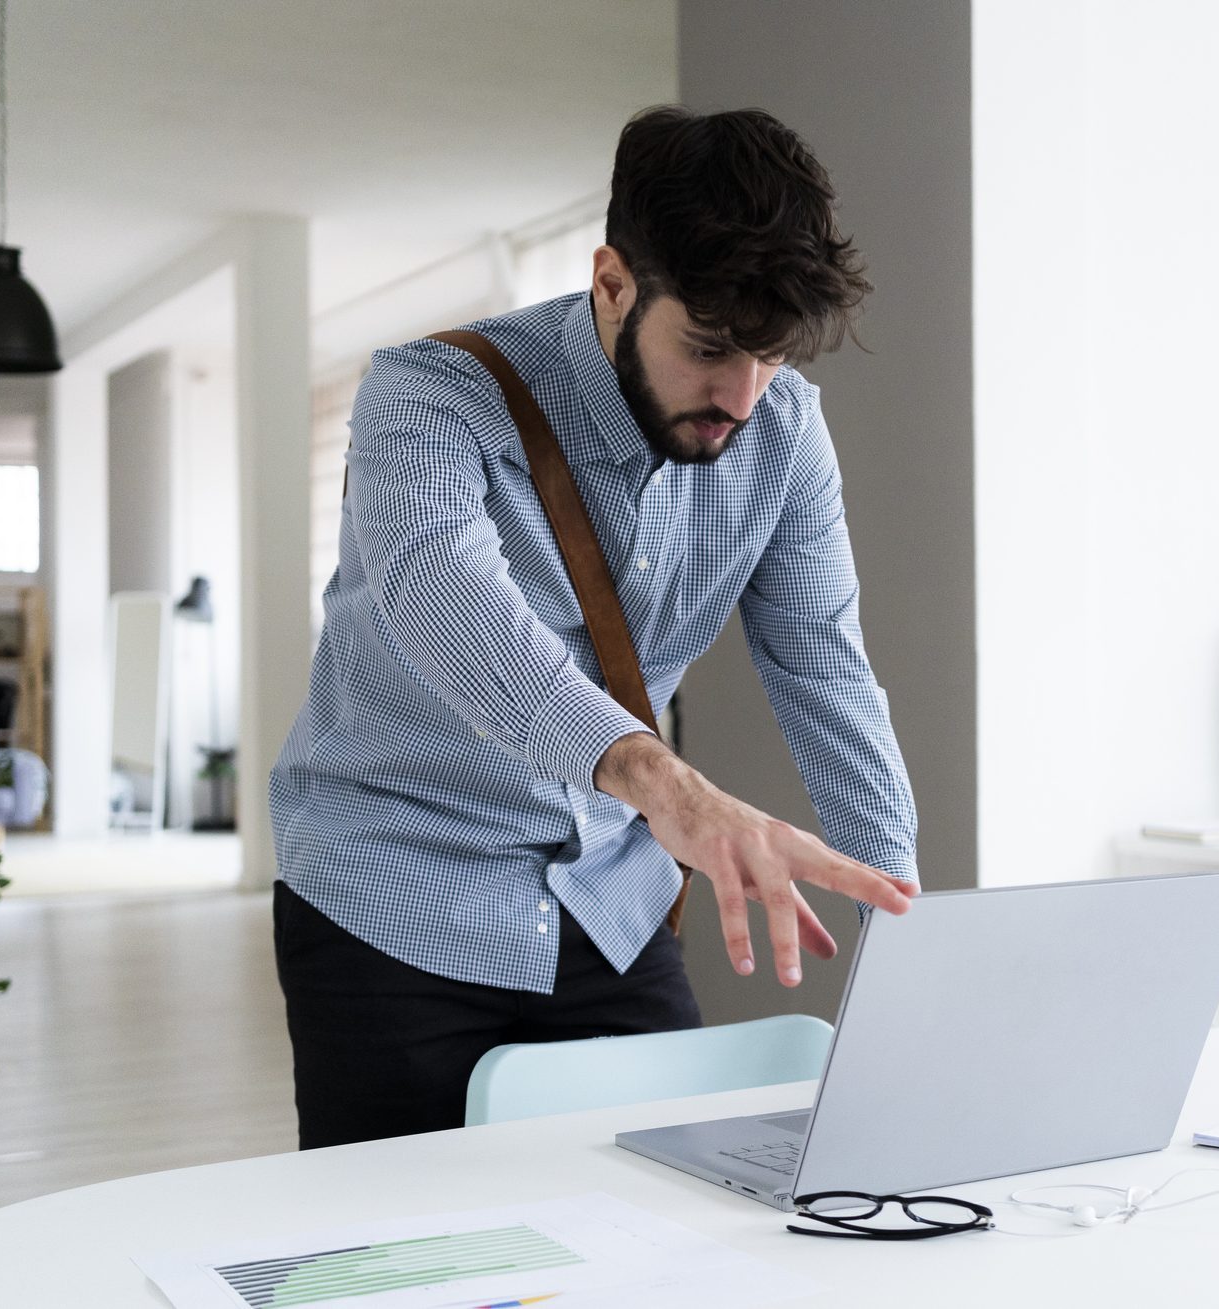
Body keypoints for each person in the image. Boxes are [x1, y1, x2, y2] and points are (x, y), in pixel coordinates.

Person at [269, 105, 920, 1148]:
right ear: (611, 283)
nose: (741, 397)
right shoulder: (426, 397)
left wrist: (903, 948)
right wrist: (666, 787)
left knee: (672, 1235)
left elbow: (825, 674)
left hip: (605, 909)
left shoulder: (783, 429)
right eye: (708, 347)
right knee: (401, 1265)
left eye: (768, 356)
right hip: (393, 902)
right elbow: (444, 594)